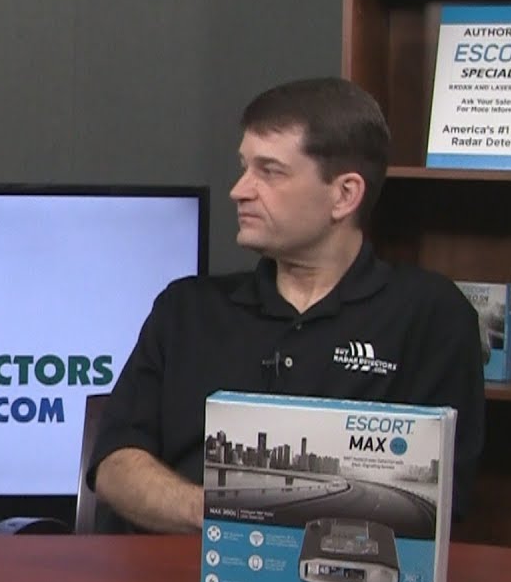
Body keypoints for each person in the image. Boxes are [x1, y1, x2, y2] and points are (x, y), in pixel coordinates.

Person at [89, 77, 484, 533]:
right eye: (244, 167)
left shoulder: (431, 316)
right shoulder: (185, 309)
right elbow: (114, 464)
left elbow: (436, 502)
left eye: (270, 171)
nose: (240, 190)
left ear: (345, 195)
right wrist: (218, 513)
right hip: (179, 565)